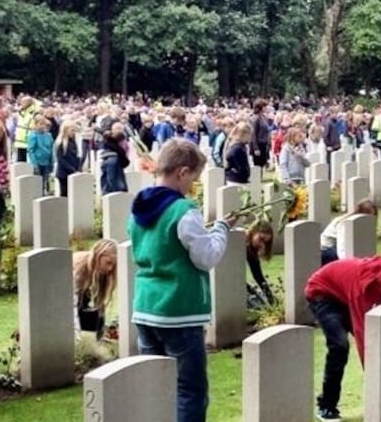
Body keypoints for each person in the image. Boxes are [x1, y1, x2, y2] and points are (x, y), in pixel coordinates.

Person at [130, 139, 232, 422]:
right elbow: (206, 257)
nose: (193, 186)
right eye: (194, 179)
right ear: (182, 172)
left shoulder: (139, 207)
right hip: (179, 310)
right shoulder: (182, 210)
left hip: (146, 306)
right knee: (189, 390)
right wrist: (221, 230)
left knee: (156, 388)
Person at [305, 257, 381, 421]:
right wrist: (376, 380)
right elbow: (366, 337)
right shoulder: (365, 290)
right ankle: (327, 406)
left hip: (344, 291)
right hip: (323, 293)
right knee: (339, 346)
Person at [73, 239, 118, 339]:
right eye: (108, 262)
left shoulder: (101, 273)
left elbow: (100, 305)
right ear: (99, 255)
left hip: (82, 299)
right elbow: (71, 306)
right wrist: (77, 337)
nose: (110, 268)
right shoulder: (78, 270)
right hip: (67, 300)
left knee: (94, 308)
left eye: (113, 265)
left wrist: (101, 335)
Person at [319, 199, 377, 265]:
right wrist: (350, 265)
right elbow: (342, 249)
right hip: (325, 251)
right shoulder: (343, 224)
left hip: (337, 248)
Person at [245, 224, 275, 305]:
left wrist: (271, 298)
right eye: (261, 239)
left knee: (258, 303)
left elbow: (258, 276)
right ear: (253, 232)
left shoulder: (252, 251)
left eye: (266, 242)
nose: (262, 244)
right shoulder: (242, 243)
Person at [27, 115, 55, 196]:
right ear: (35, 125)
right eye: (40, 124)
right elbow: (31, 150)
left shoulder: (48, 135)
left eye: (44, 124)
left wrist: (51, 161)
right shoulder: (33, 136)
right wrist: (34, 164)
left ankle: (45, 192)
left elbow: (51, 148)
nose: (42, 126)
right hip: (38, 162)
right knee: (38, 181)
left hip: (47, 161)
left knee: (45, 179)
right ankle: (38, 195)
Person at [54, 119, 81, 198]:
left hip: (73, 172)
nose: (74, 132)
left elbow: (77, 156)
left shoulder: (73, 142)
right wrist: (72, 169)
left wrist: (78, 168)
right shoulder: (61, 143)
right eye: (72, 130)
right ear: (65, 130)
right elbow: (61, 159)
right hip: (63, 173)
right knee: (64, 193)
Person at [100, 130, 130, 194]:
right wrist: (121, 191)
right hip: (115, 193)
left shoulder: (109, 156)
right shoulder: (113, 159)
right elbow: (112, 179)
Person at [13, 96, 40, 162]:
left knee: (29, 160)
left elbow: (39, 104)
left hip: (29, 137)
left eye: (23, 102)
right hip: (20, 139)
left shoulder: (34, 112)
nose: (21, 103)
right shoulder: (21, 111)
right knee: (20, 162)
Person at [249, 100, 271, 169]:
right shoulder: (255, 118)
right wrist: (256, 148)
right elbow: (253, 134)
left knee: (262, 165)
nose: (266, 108)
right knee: (257, 166)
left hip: (264, 144)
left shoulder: (264, 117)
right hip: (258, 144)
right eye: (265, 106)